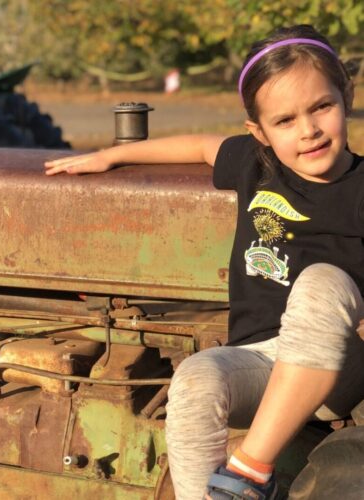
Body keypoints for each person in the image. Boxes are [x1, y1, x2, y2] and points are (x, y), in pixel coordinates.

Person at [45, 25, 364, 500]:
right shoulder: (257, 165)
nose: (308, 130)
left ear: (347, 97)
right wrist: (113, 156)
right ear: (258, 132)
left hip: (334, 367)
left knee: (321, 282)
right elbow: (197, 146)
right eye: (285, 121)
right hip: (261, 363)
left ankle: (248, 473)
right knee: (196, 378)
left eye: (321, 107)